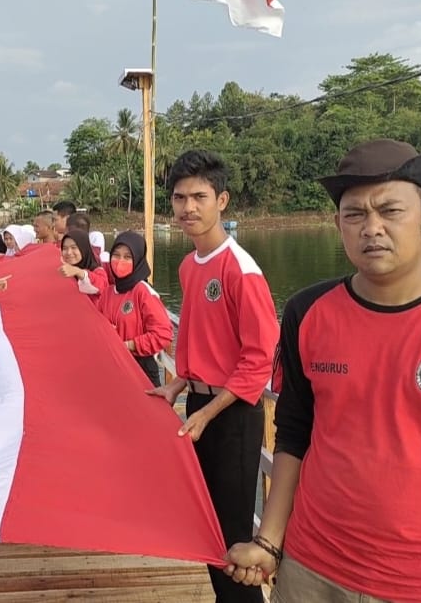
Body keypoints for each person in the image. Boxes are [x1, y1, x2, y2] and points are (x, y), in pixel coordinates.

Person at [226, 139, 421, 603]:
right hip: (310, 573)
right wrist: (270, 542)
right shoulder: (306, 312)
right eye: (355, 214)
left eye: (390, 211)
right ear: (338, 224)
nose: (371, 228)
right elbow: (294, 434)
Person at [147, 149, 279, 603]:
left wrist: (210, 412)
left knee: (234, 539)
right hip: (200, 405)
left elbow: (259, 358)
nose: (188, 208)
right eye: (180, 198)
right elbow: (194, 339)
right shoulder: (189, 265)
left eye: (199, 196)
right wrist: (177, 384)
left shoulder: (240, 269)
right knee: (205, 526)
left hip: (234, 412)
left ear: (221, 201)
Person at [98, 231, 173, 386]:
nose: (120, 261)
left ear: (138, 259)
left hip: (141, 369)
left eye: (127, 257)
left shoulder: (143, 291)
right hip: (113, 367)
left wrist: (129, 345)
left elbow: (163, 334)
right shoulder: (107, 293)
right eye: (116, 255)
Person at [58, 229, 107, 300]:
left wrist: (79, 272)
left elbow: (102, 287)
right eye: (65, 248)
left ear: (84, 249)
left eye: (73, 248)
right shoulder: (62, 270)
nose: (69, 252)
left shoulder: (98, 271)